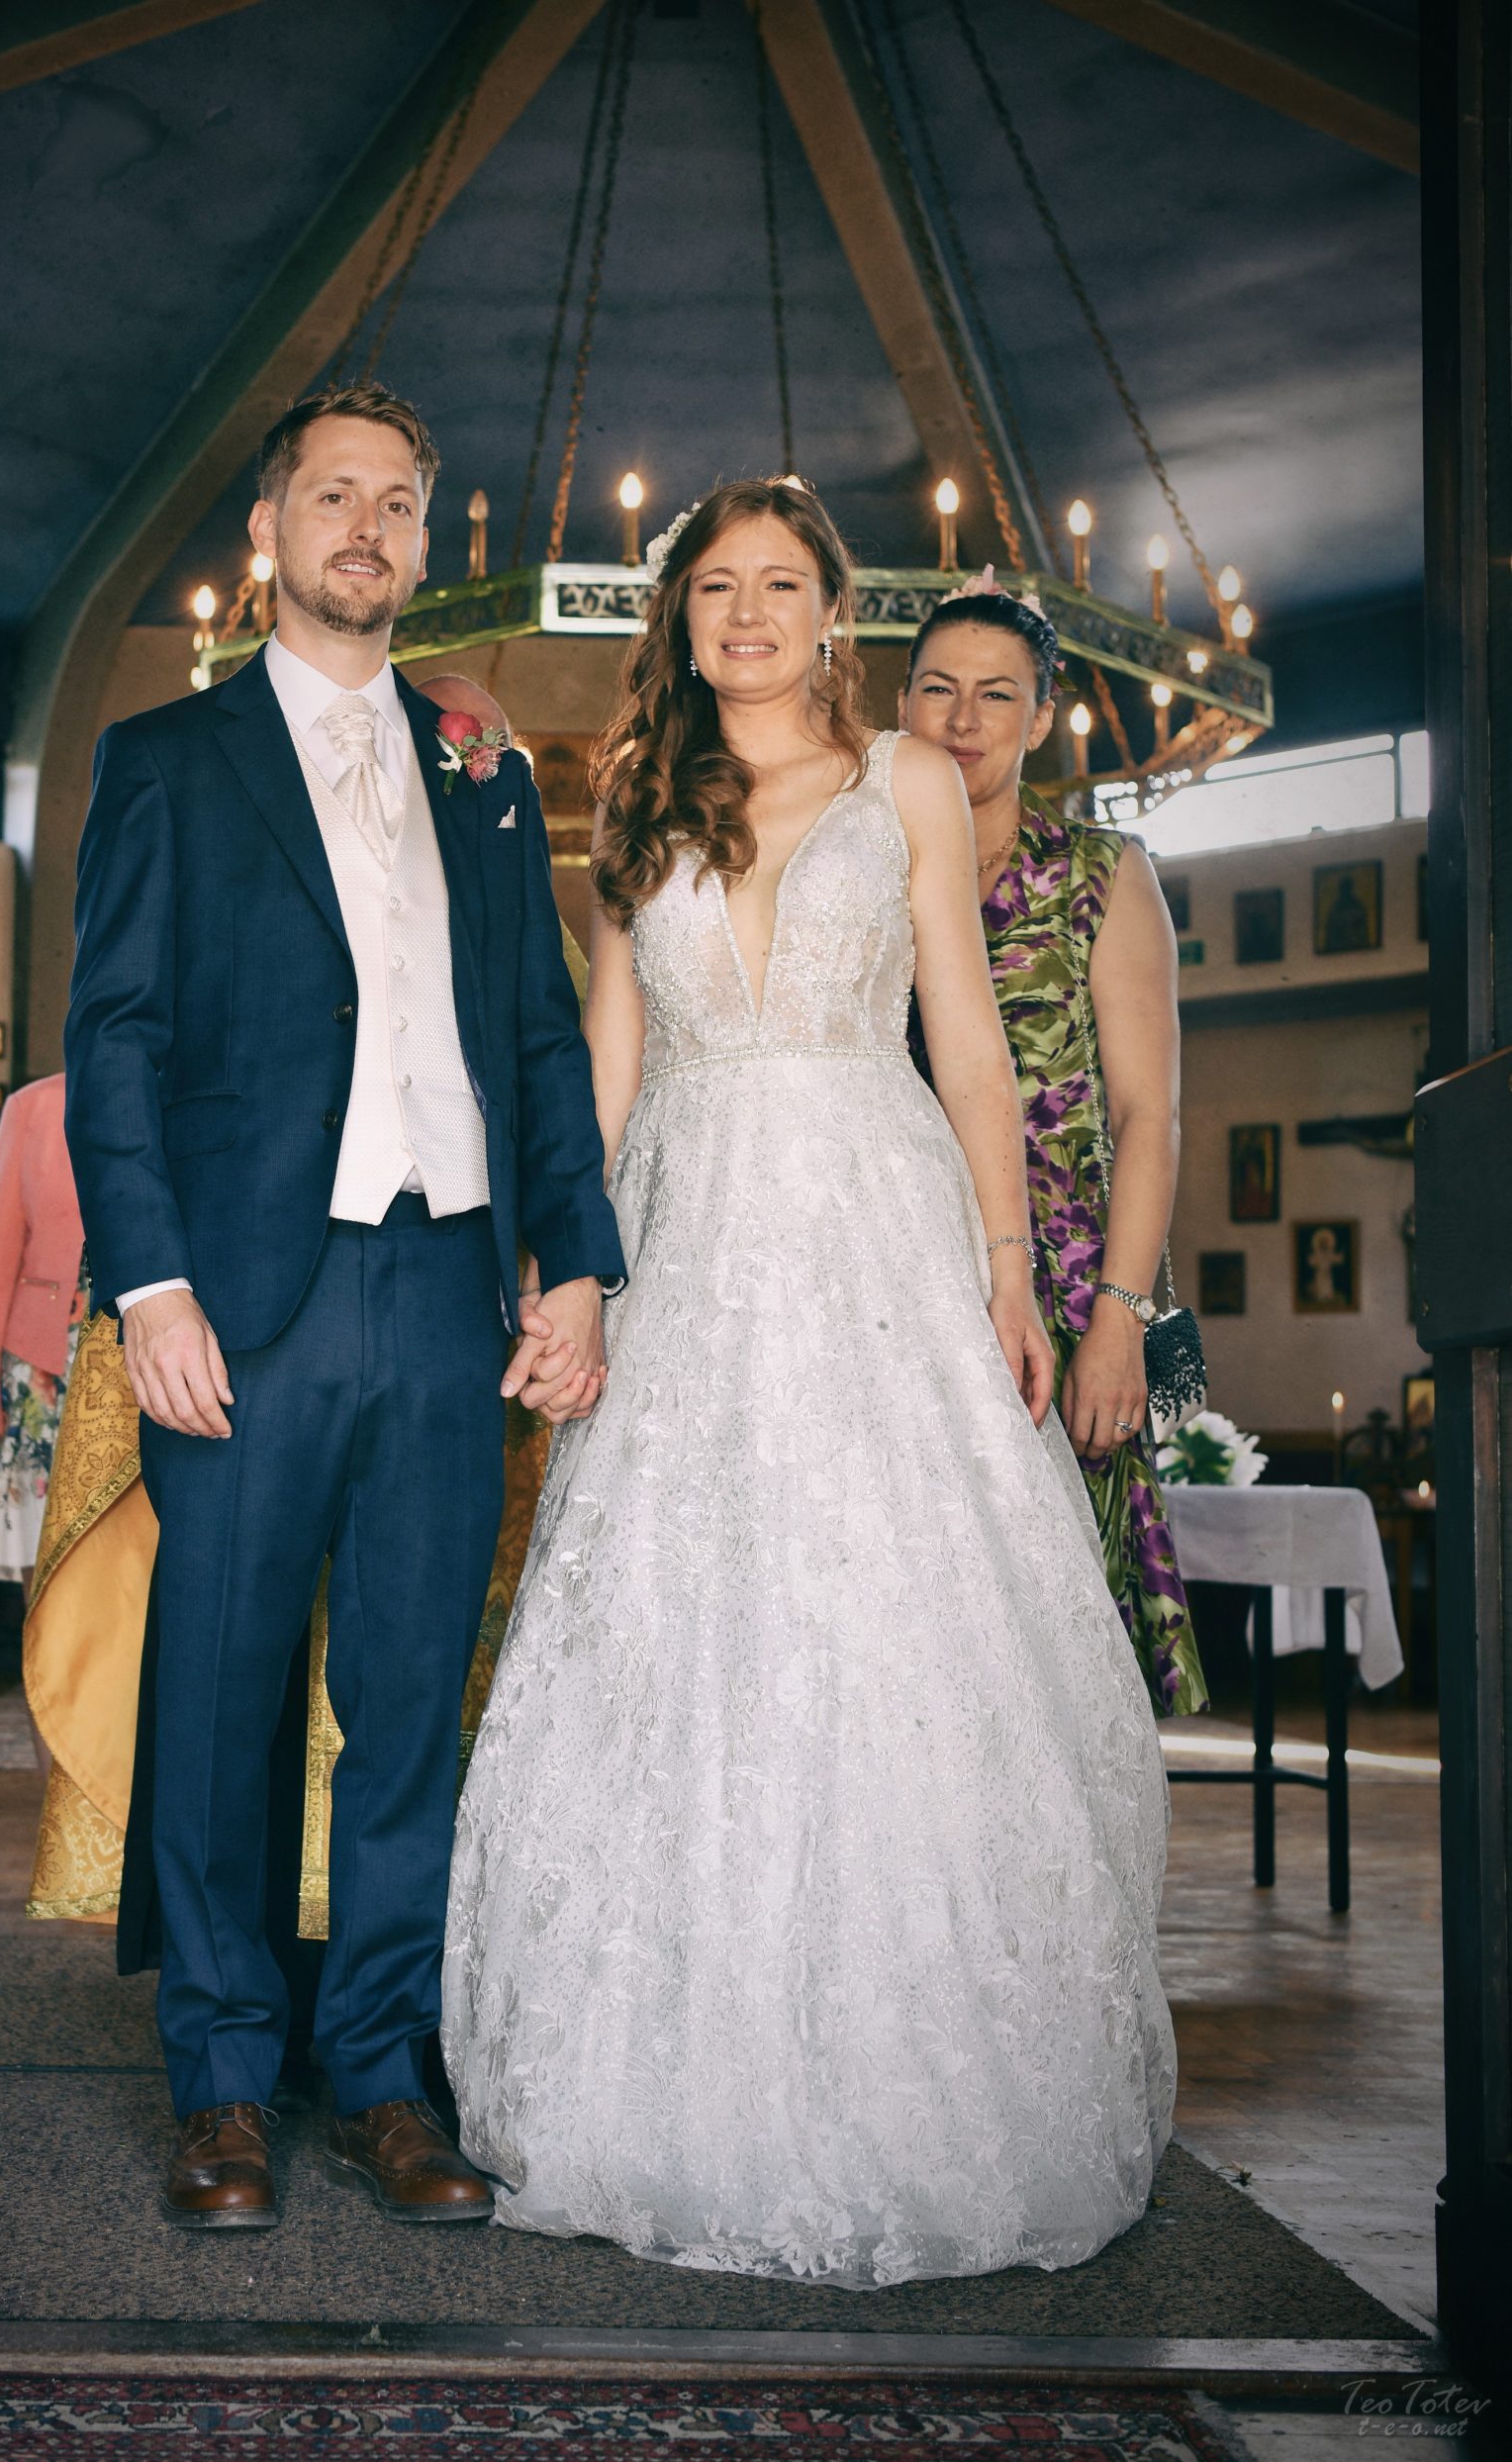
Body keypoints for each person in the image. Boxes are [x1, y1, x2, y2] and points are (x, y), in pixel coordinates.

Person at [442, 479, 1176, 2289]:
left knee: (886, 1617)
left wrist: (1014, 1273)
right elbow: (609, 1062)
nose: (748, 614)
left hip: (876, 1223)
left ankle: (922, 2069)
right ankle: (665, 2077)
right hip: (685, 1238)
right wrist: (569, 1274)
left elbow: (979, 1053)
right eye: (717, 588)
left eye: (782, 585)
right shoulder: (631, 798)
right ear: (681, 618)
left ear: (835, 615)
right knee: (690, 1622)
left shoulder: (910, 784)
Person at [63, 379, 624, 2232]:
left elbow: (541, 1043)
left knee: (406, 1709)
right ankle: (224, 2078)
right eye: (333, 495)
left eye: (398, 498)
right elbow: (116, 1040)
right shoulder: (165, 758)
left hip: (445, 1294)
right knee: (219, 1695)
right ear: (273, 530)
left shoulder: (489, 772)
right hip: (246, 1293)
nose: (366, 526)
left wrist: (583, 1259)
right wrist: (147, 1280)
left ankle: (383, 2069)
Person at [898, 573, 1206, 1715]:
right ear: (901, 705)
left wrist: (1120, 1319)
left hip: (1063, 1294)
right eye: (937, 690)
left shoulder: (1100, 875)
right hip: (887, 1270)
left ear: (1039, 720)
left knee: (1054, 1654)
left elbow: (1147, 1118)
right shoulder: (856, 873)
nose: (962, 722)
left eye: (996, 697)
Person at [0, 1073, 85, 1748]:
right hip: (39, 1381)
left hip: (150, 1369)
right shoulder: (33, 1107)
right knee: (52, 1612)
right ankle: (59, 1826)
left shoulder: (190, 1087)